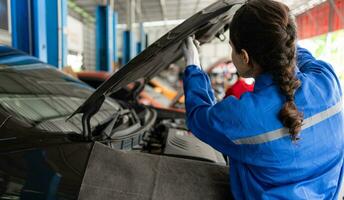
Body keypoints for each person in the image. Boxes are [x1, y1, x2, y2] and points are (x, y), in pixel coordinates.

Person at [182, 0, 344, 199]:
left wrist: (193, 67)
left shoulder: (244, 115)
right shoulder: (327, 81)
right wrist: (276, 32)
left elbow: (199, 118)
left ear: (244, 57)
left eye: (232, 48)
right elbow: (297, 54)